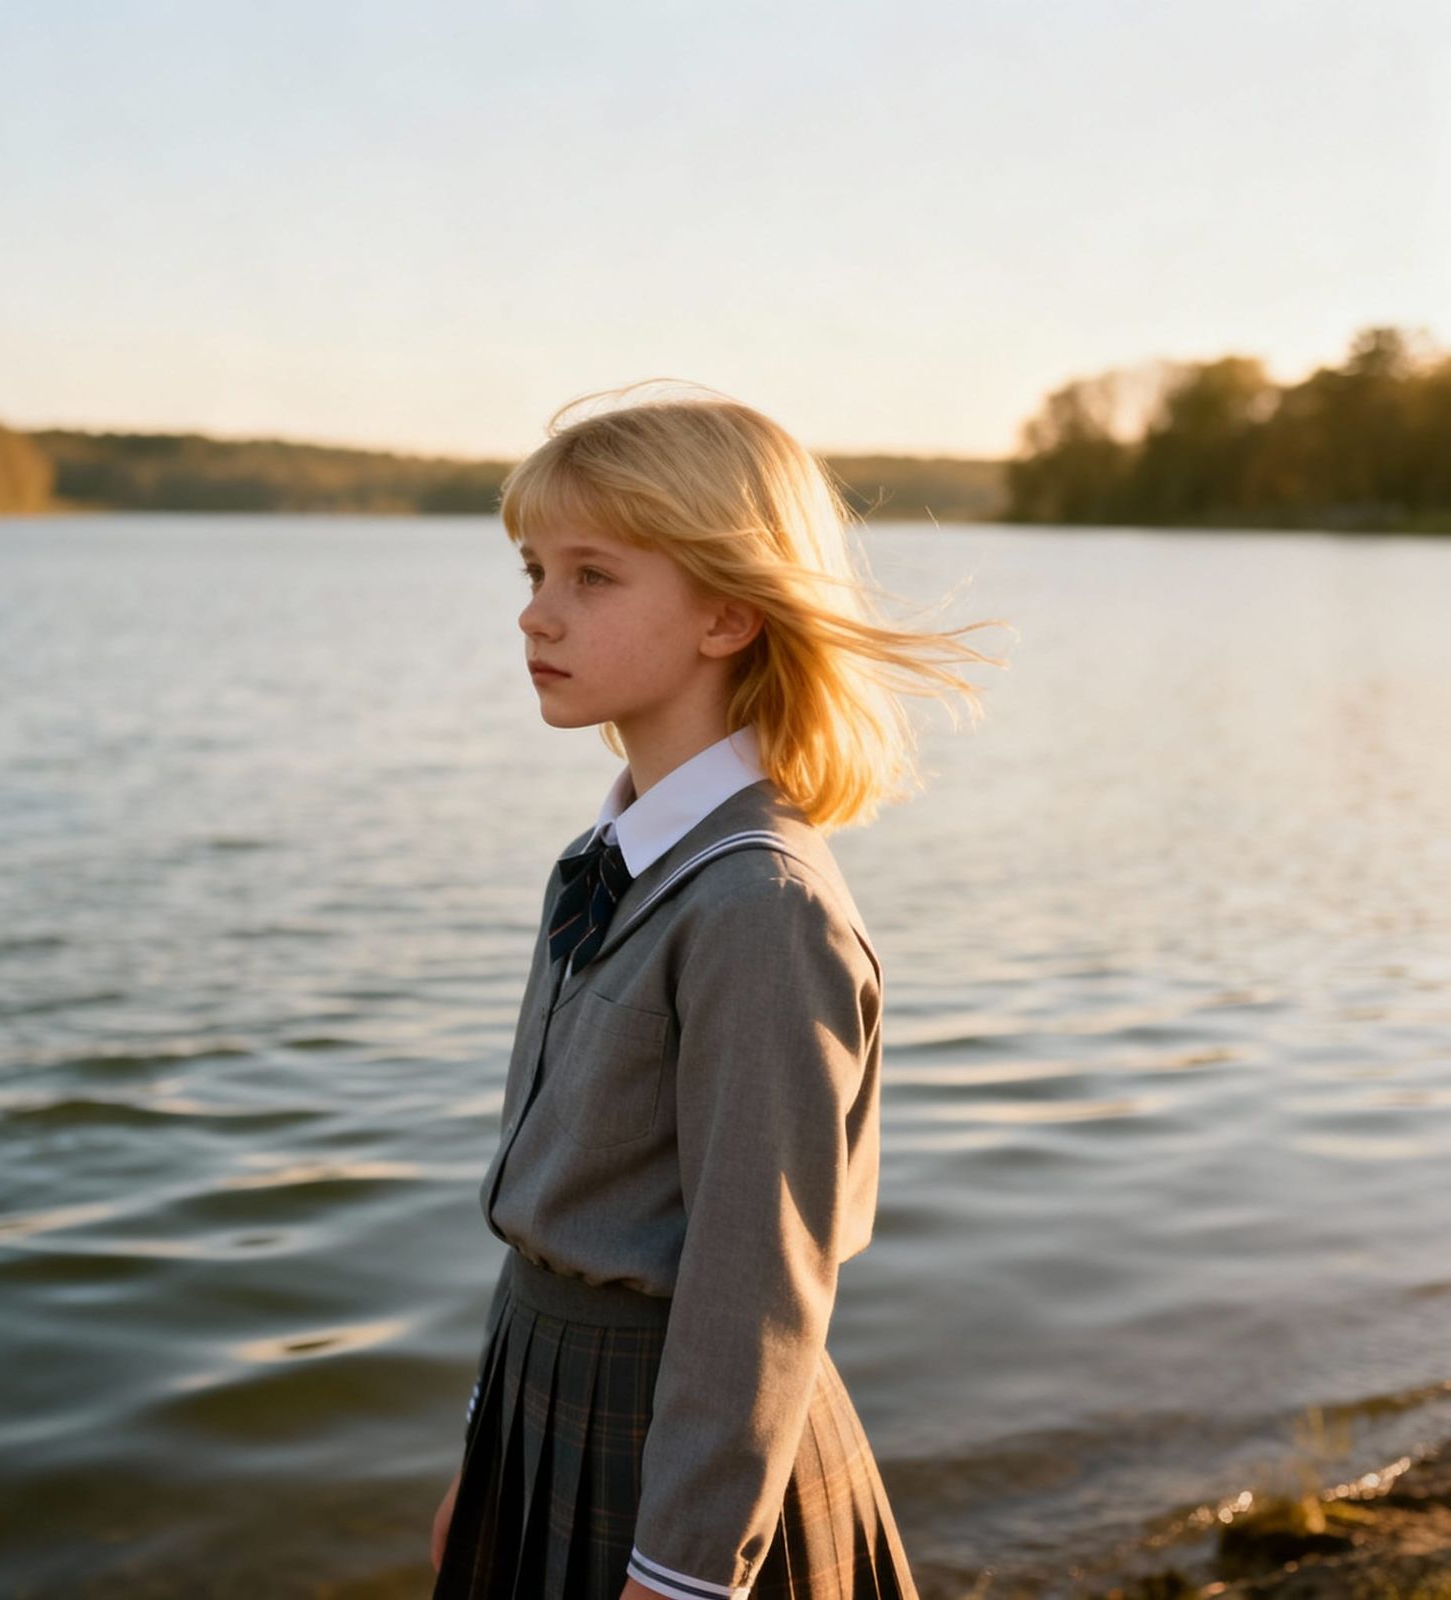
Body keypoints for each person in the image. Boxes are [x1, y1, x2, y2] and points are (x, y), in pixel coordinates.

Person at [428, 380, 1009, 1599]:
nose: (536, 615)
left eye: (592, 576)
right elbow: (551, 1208)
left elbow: (757, 1283)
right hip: (544, 1406)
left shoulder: (760, 907)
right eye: (532, 571)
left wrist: (681, 1572)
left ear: (728, 613)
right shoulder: (608, 861)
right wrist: (485, 1449)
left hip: (675, 1462)